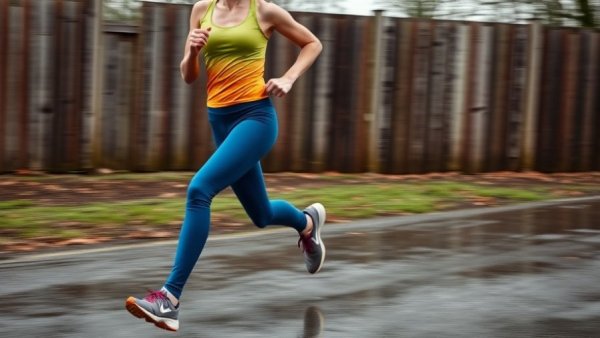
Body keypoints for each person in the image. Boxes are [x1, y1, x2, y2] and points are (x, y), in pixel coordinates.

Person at [125, 0, 325, 331]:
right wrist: (190, 53)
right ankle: (307, 223)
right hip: (220, 121)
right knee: (260, 215)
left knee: (199, 190)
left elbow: (312, 43)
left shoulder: (264, 11)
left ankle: (169, 299)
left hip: (255, 118)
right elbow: (189, 77)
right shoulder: (201, 9)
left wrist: (288, 78)